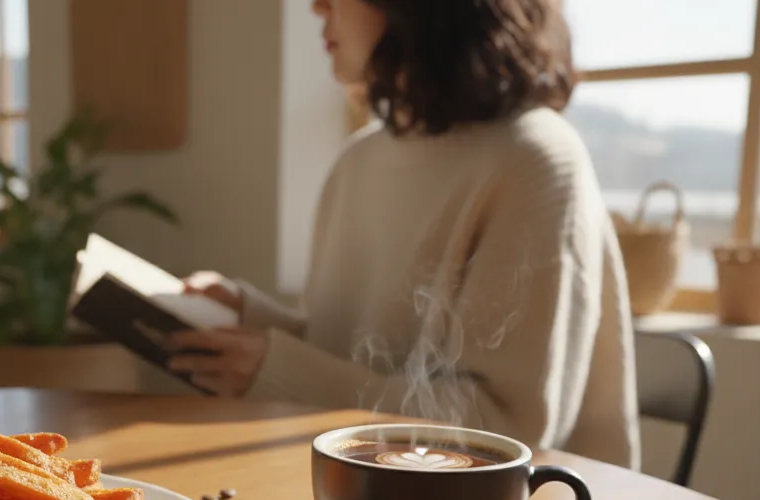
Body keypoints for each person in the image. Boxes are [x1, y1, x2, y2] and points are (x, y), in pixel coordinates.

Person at [171, 0, 639, 468]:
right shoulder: (359, 160)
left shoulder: (535, 158)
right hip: (360, 492)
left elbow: (504, 429)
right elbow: (350, 353)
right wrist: (252, 316)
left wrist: (276, 369)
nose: (316, 7)